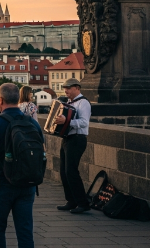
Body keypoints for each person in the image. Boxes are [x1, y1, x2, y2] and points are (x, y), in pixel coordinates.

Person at [0, 83, 43, 248]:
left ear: (0, 100)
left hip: (2, 183)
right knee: (25, 231)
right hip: (27, 184)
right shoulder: (32, 122)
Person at [55, 78, 92, 213]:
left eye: (69, 88)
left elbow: (84, 123)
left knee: (71, 171)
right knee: (64, 171)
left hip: (77, 139)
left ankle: (83, 203)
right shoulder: (69, 103)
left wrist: (67, 121)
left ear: (77, 88)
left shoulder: (83, 103)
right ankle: (71, 201)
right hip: (67, 138)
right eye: (65, 88)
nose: (66, 90)